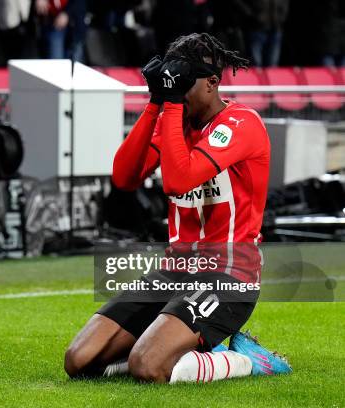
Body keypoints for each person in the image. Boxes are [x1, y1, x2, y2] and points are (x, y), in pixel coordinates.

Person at [64, 33, 292, 384]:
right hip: (174, 271)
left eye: (184, 81)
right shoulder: (175, 123)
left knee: (149, 366)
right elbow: (124, 177)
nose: (179, 90)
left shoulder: (241, 124)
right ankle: (184, 348)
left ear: (212, 83)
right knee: (79, 360)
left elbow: (177, 181)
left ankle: (247, 359)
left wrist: (170, 105)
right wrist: (155, 101)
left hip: (230, 276)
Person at [246, 0, 289, 67]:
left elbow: (284, 4)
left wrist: (281, 18)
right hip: (257, 28)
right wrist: (252, 15)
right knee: (256, 64)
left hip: (276, 29)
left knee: (273, 64)